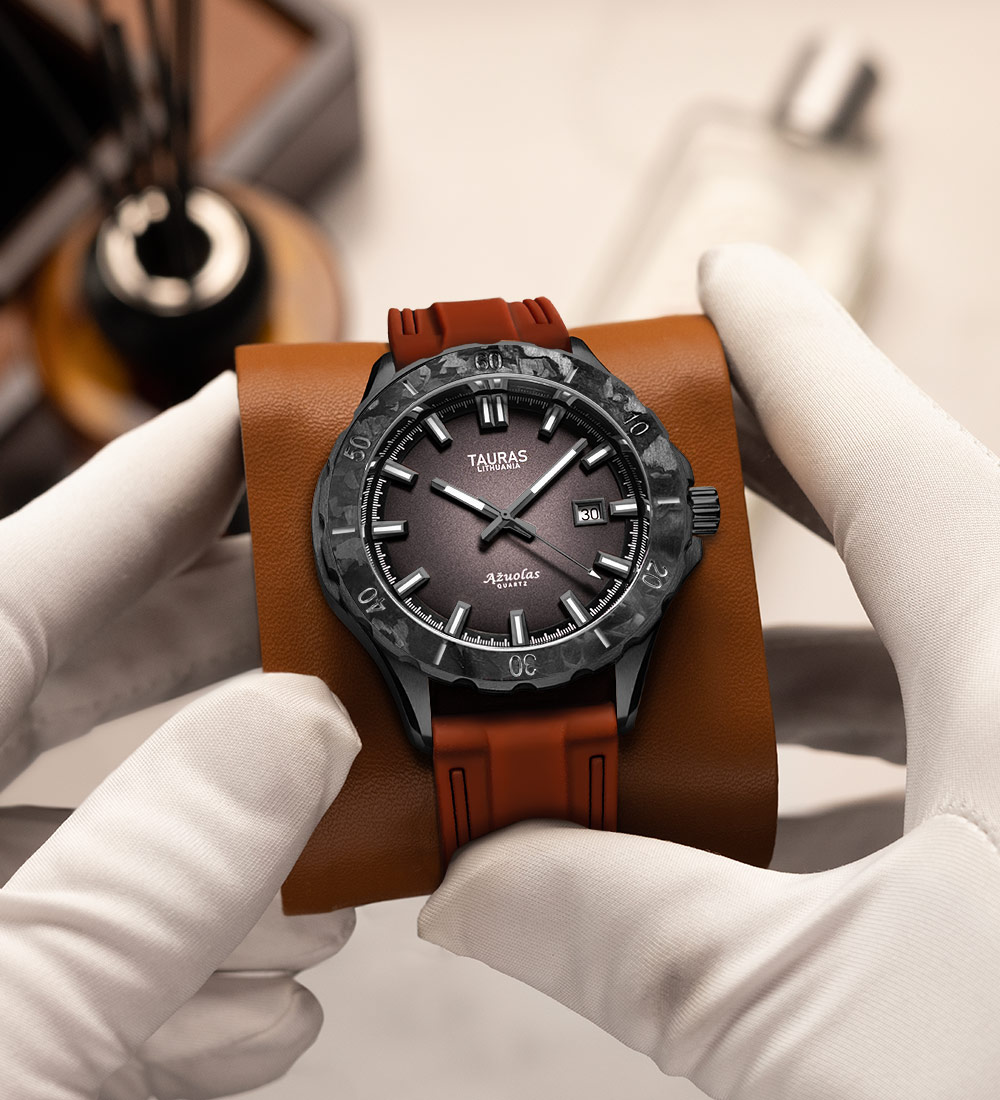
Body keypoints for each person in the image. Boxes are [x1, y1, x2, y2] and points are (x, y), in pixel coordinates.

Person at [0, 244, 997, 1098]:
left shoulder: (625, 519)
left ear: (682, 516)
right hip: (456, 654)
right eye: (491, 518)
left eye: (523, 513)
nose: (507, 524)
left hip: (575, 644)